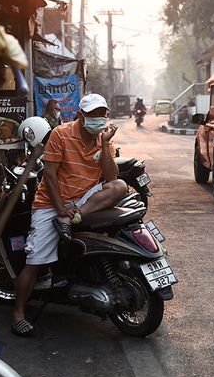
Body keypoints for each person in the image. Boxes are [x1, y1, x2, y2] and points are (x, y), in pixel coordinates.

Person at [11, 93, 127, 336]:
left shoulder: (103, 138)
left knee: (120, 187)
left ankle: (74, 218)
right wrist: (61, 208)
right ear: (80, 115)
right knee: (35, 261)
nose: (99, 119)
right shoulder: (61, 134)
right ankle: (18, 313)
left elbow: (111, 176)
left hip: (83, 200)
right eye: (93, 114)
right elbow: (50, 176)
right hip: (51, 203)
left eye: (102, 114)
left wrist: (105, 144)